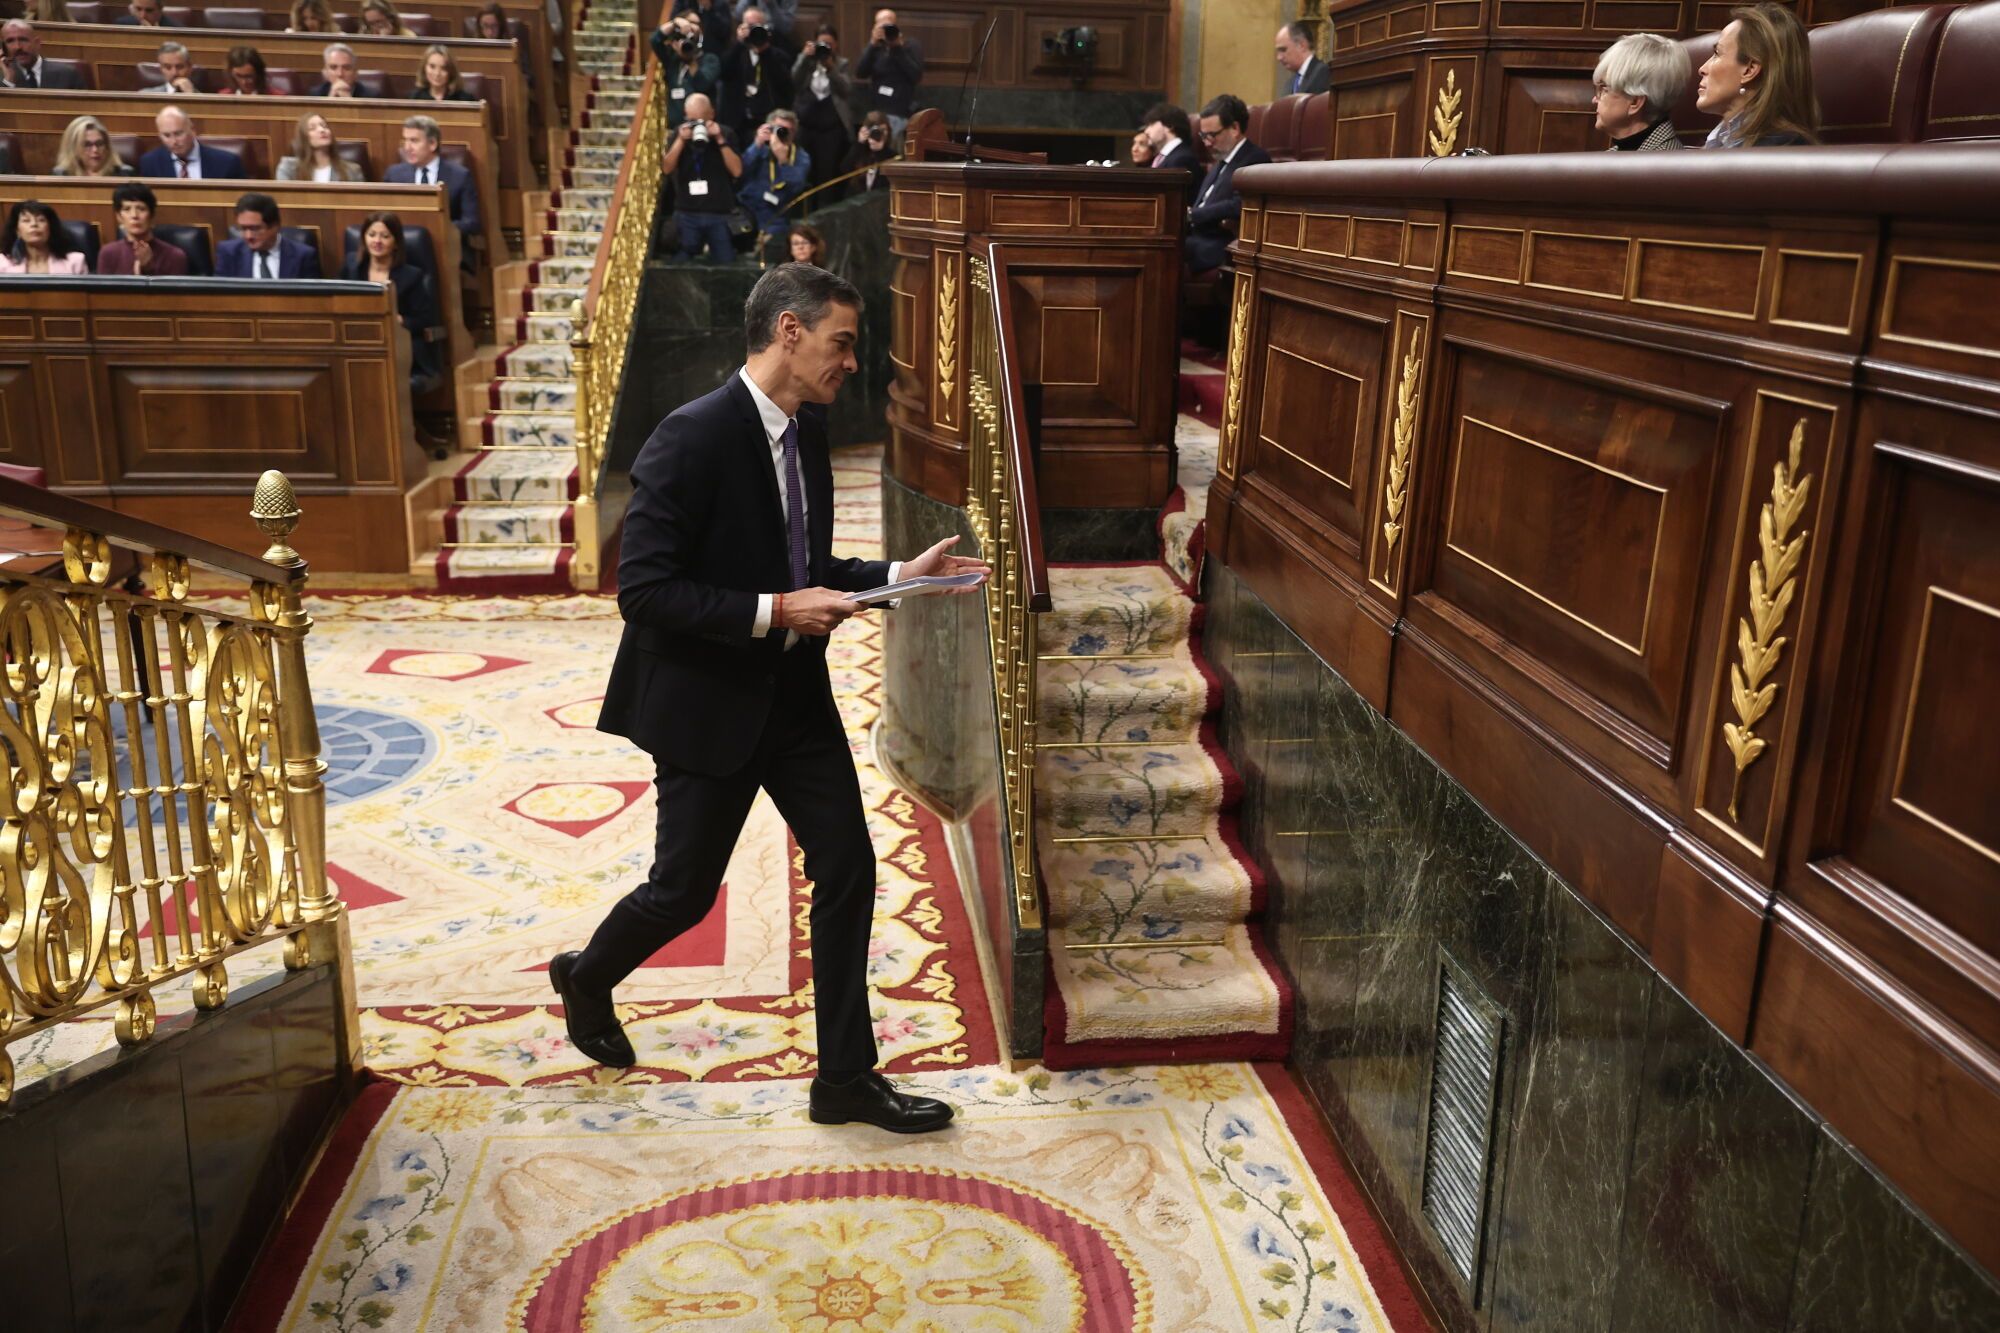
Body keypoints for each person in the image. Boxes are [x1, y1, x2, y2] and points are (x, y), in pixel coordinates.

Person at [549, 262, 986, 1135]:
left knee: (850, 864)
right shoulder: (688, 436)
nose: (851, 362)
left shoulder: (806, 432)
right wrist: (775, 611)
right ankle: (588, 975)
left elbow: (807, 571)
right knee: (683, 892)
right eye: (842, 342)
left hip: (793, 697)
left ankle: (845, 1079)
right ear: (790, 330)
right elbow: (645, 591)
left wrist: (901, 578)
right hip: (707, 702)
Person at [341, 210, 443, 394]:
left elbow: (426, 318)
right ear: (364, 238)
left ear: (396, 242)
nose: (377, 241)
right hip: (358, 341)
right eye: (371, 235)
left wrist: (402, 321)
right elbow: (337, 301)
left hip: (398, 346)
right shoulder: (352, 267)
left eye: (385, 236)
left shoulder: (411, 276)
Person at [1698, 2, 1819, 147]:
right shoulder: (1722, 140)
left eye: (1717, 54)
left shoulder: (1778, 149)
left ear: (1749, 70)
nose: (1702, 69)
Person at [1185, 94, 1270, 273]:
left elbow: (1240, 204)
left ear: (1234, 128)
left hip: (1219, 241)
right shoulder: (1221, 160)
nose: (1207, 143)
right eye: (1203, 135)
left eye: (1212, 135)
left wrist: (1194, 215)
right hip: (1197, 237)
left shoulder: (1255, 158)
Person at [384, 114, 480, 257]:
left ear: (433, 144)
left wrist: (438, 228)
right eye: (405, 140)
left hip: (447, 248)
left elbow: (472, 223)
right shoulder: (394, 174)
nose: (407, 147)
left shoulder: (460, 176)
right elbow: (383, 216)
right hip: (402, 248)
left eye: (414, 141)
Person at [665, 90, 741, 263]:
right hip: (687, 212)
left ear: (712, 114)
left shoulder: (726, 133)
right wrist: (680, 141)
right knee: (680, 262)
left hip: (719, 212)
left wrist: (720, 140)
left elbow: (737, 171)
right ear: (685, 116)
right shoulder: (679, 133)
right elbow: (667, 168)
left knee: (725, 262)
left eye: (702, 120)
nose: (698, 126)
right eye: (693, 120)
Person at [1593, 32, 1689, 151]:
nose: (1594, 99)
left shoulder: (1662, 164)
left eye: (1604, 89)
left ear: (1635, 102)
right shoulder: (1617, 156)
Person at [793, 23, 852, 194]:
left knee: (826, 175)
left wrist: (831, 67)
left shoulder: (841, 64)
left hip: (830, 130)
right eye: (822, 43)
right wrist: (804, 57)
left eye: (830, 44)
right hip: (806, 126)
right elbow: (794, 81)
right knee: (805, 172)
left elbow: (846, 90)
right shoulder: (807, 61)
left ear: (836, 45)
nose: (826, 47)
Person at [739, 108, 810, 250]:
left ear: (794, 133)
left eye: (787, 130)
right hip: (747, 208)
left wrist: (783, 162)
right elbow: (739, 172)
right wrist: (757, 143)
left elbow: (796, 187)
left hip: (776, 215)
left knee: (770, 246)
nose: (782, 134)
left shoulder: (800, 156)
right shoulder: (759, 149)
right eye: (778, 128)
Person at [720, 5, 793, 142]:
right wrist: (739, 43)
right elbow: (724, 73)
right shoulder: (735, 53)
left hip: (766, 122)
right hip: (737, 123)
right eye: (749, 26)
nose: (753, 30)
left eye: (757, 26)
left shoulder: (778, 56)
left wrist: (765, 50)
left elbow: (784, 85)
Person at [216, 192, 321, 280]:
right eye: (243, 229)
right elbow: (218, 296)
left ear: (275, 226)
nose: (248, 236)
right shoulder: (228, 253)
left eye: (255, 229)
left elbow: (314, 300)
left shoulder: (302, 256)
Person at [854, 7, 920, 141]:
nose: (885, 27)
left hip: (900, 112)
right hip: (876, 112)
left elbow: (915, 75)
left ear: (896, 24)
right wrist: (872, 44)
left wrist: (897, 47)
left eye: (889, 23)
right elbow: (860, 73)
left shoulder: (910, 46)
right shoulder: (875, 49)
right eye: (881, 23)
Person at [97, 182, 189, 275]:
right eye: (127, 209)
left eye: (141, 209)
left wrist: (147, 269)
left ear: (151, 215)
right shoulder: (108, 253)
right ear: (119, 217)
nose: (134, 215)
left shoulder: (174, 256)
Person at [140, 105, 248, 179]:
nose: (174, 141)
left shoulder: (227, 163)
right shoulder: (150, 163)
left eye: (178, 134)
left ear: (193, 130)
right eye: (167, 135)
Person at [653, 12, 719, 127]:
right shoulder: (672, 60)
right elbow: (655, 40)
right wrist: (675, 23)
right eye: (689, 23)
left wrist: (691, 58)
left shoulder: (709, 60)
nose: (691, 28)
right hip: (675, 128)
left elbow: (702, 84)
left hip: (702, 127)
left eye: (696, 24)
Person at [0, 200, 90, 276]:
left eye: (41, 220)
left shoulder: (75, 262)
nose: (34, 224)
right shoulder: (3, 263)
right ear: (17, 231)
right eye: (26, 220)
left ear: (50, 228)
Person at [277, 109, 366, 180]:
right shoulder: (288, 168)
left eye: (324, 126)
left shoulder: (352, 171)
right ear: (304, 137)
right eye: (312, 128)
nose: (321, 130)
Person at [2, 19, 86, 88]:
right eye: (10, 41)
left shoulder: (67, 74)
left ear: (37, 43)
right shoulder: (4, 78)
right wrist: (9, 82)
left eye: (23, 40)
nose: (17, 47)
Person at [53, 115, 138, 176]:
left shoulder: (125, 175)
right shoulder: (61, 175)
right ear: (73, 148)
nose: (95, 150)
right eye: (87, 145)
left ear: (107, 146)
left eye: (99, 144)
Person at [841, 109, 894, 192]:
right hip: (858, 201)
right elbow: (845, 170)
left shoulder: (893, 156)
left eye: (882, 130)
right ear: (866, 131)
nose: (878, 134)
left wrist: (880, 152)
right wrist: (859, 143)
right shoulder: (859, 151)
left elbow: (889, 183)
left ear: (888, 131)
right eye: (874, 130)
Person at [1274, 22, 1329, 96]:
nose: (1279, 57)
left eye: (1283, 50)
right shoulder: (1289, 84)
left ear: (1301, 45)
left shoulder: (1323, 73)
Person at [1139, 102, 1198, 172]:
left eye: (1151, 124)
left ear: (1169, 125)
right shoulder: (1164, 157)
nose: (1146, 131)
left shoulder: (1181, 159)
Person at [412, 43, 476, 101]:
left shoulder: (466, 100)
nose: (437, 73)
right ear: (424, 68)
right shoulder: (414, 98)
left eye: (443, 68)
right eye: (432, 67)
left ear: (451, 71)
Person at [667, 0, 732, 51]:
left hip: (709, 51)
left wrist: (709, 8)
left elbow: (725, 33)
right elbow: (671, 22)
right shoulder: (683, 1)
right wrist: (677, 20)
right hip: (684, 47)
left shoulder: (721, 4)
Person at [116, 0, 180, 26]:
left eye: (149, 10)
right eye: (138, 9)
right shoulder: (122, 25)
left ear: (160, 10)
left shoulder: (175, 30)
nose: (142, 16)